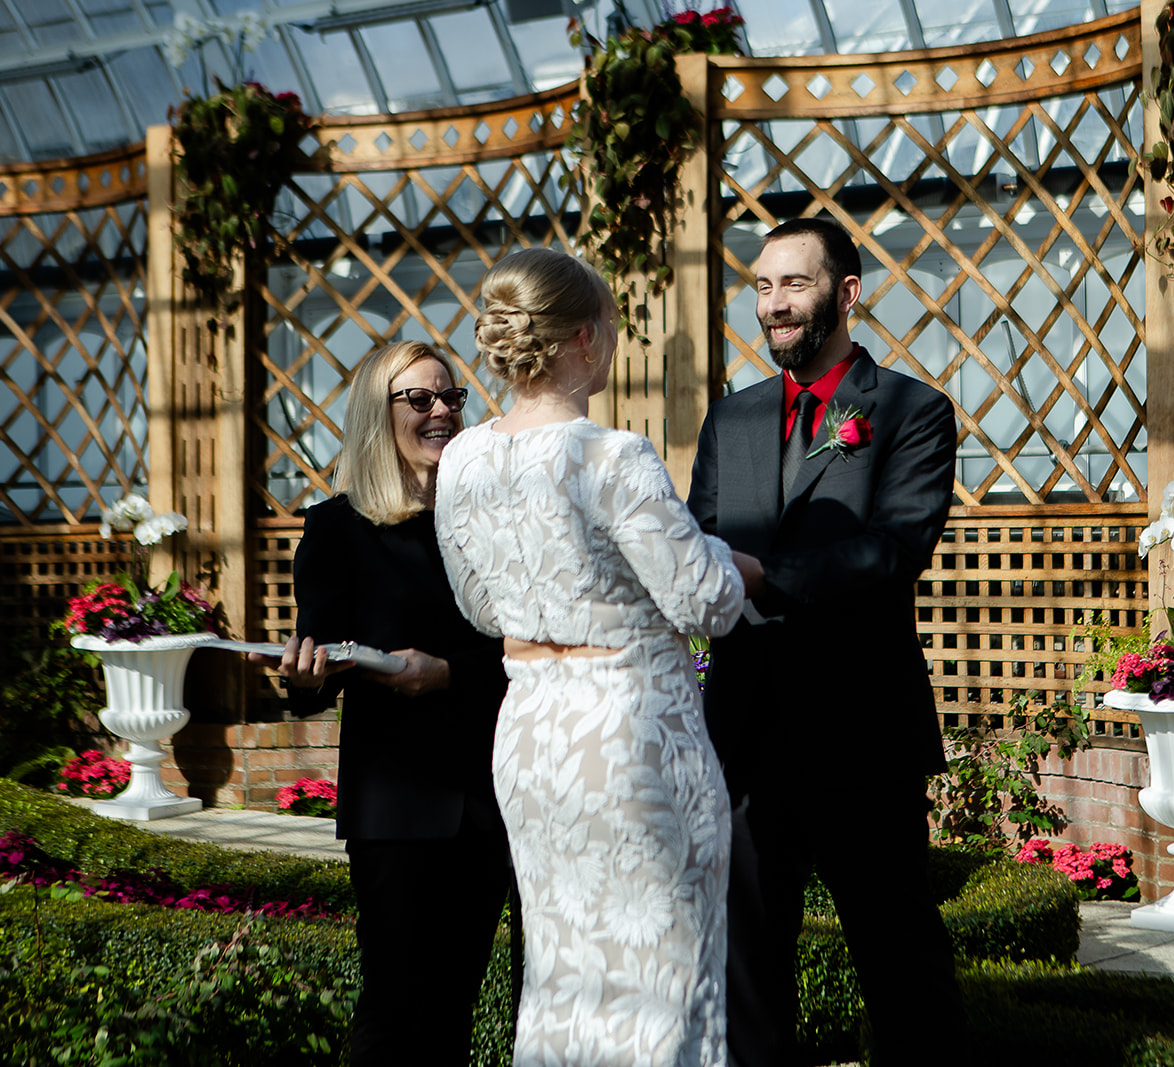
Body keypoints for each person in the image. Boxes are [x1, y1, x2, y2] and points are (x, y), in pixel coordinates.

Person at [434, 247, 764, 1066]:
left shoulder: (464, 459)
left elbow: (478, 608)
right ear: (586, 336)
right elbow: (706, 604)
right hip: (630, 733)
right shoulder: (610, 456)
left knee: (562, 973)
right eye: (609, 327)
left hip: (534, 732)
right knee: (664, 973)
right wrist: (738, 564)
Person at [686, 217, 966, 1066]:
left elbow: (892, 550)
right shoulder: (728, 419)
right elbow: (697, 540)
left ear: (846, 294)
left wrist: (763, 578)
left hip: (861, 733)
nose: (773, 305)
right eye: (763, 287)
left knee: (901, 965)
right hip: (742, 734)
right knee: (748, 976)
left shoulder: (912, 411)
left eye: (793, 285)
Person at [248, 340, 517, 1066]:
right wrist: (304, 676)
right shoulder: (336, 528)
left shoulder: (494, 518)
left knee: (456, 1002)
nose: (442, 412)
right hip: (396, 807)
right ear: (379, 413)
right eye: (421, 399)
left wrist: (452, 674)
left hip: (494, 796)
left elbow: (532, 652)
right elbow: (320, 662)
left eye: (452, 397)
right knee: (393, 1006)